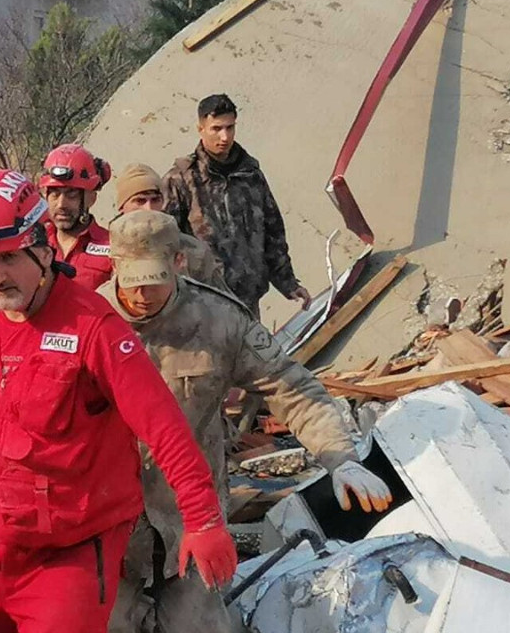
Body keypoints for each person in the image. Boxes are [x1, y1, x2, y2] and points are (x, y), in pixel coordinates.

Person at [0, 169, 237, 633]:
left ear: (41, 247)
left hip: (73, 549)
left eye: (7, 257)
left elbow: (162, 425)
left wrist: (202, 519)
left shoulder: (93, 328)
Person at [100, 210, 392, 633]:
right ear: (114, 268)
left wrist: (340, 458)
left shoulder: (219, 322)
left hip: (190, 521)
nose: (143, 293)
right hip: (109, 526)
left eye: (155, 277)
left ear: (179, 262)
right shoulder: (86, 321)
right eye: (132, 281)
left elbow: (292, 388)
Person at [163, 94, 311, 316]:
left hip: (249, 300)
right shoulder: (181, 180)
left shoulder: (249, 173)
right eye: (216, 128)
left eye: (230, 128)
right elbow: (166, 243)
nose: (224, 136)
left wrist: (288, 282)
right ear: (200, 129)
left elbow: (273, 232)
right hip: (207, 306)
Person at [112, 163, 227, 291]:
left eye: (155, 200)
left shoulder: (193, 250)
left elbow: (220, 300)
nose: (149, 209)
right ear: (122, 206)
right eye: (140, 201)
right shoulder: (107, 249)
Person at [39, 143, 114, 291]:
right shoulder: (34, 245)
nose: (61, 204)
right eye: (55, 193)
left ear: (91, 198)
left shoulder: (113, 247)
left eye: (71, 194)